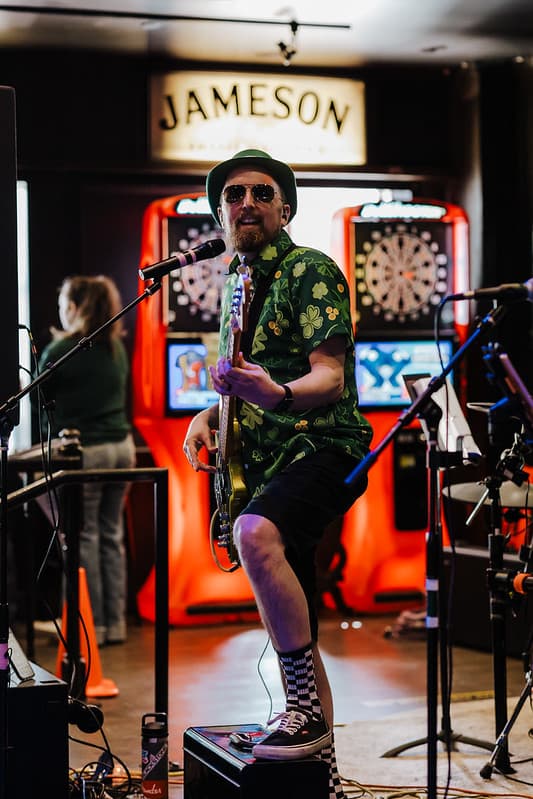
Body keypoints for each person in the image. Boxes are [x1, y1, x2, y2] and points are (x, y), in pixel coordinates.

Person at [183, 149, 373, 799]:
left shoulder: (309, 270)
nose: (247, 203)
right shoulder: (235, 283)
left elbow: (328, 376)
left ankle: (302, 713)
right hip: (270, 455)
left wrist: (275, 396)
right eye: (233, 195)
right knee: (299, 628)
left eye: (262, 193)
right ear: (219, 213)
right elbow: (247, 379)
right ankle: (322, 774)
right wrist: (210, 413)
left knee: (255, 534)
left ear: (283, 208)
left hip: (322, 443)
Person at [38, 275, 135, 647]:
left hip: (87, 452)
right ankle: (115, 626)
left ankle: (89, 629)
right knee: (112, 536)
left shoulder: (61, 350)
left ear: (75, 307)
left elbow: (40, 400)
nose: (60, 312)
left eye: (64, 305)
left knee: (85, 536)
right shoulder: (114, 346)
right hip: (122, 449)